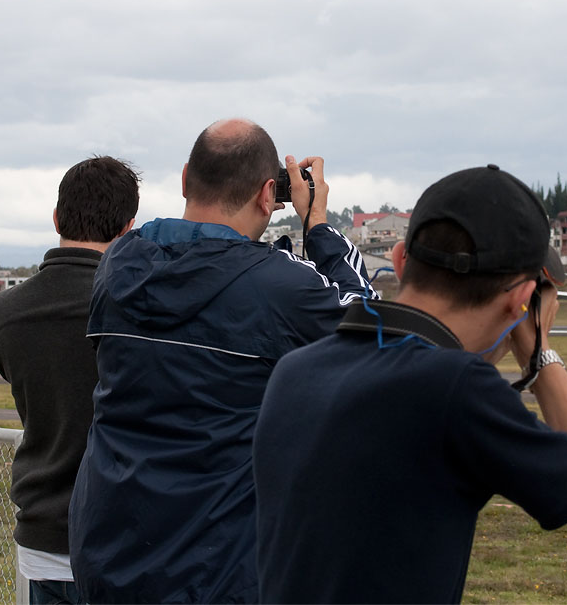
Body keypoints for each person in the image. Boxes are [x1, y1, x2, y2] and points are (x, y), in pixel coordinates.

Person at [253, 164, 567, 603]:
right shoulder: (457, 389)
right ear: (519, 302)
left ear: (400, 260)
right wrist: (540, 353)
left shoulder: (297, 371)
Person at [68, 119, 375, 604]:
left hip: (108, 558)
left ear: (186, 178)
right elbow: (371, 323)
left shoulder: (120, 265)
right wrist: (316, 223)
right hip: (216, 572)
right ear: (267, 194)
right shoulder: (279, 288)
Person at [0, 156, 141, 605]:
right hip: (121, 538)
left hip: (41, 537)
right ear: (128, 227)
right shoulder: (140, 307)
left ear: (56, 217)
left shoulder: (4, 312)